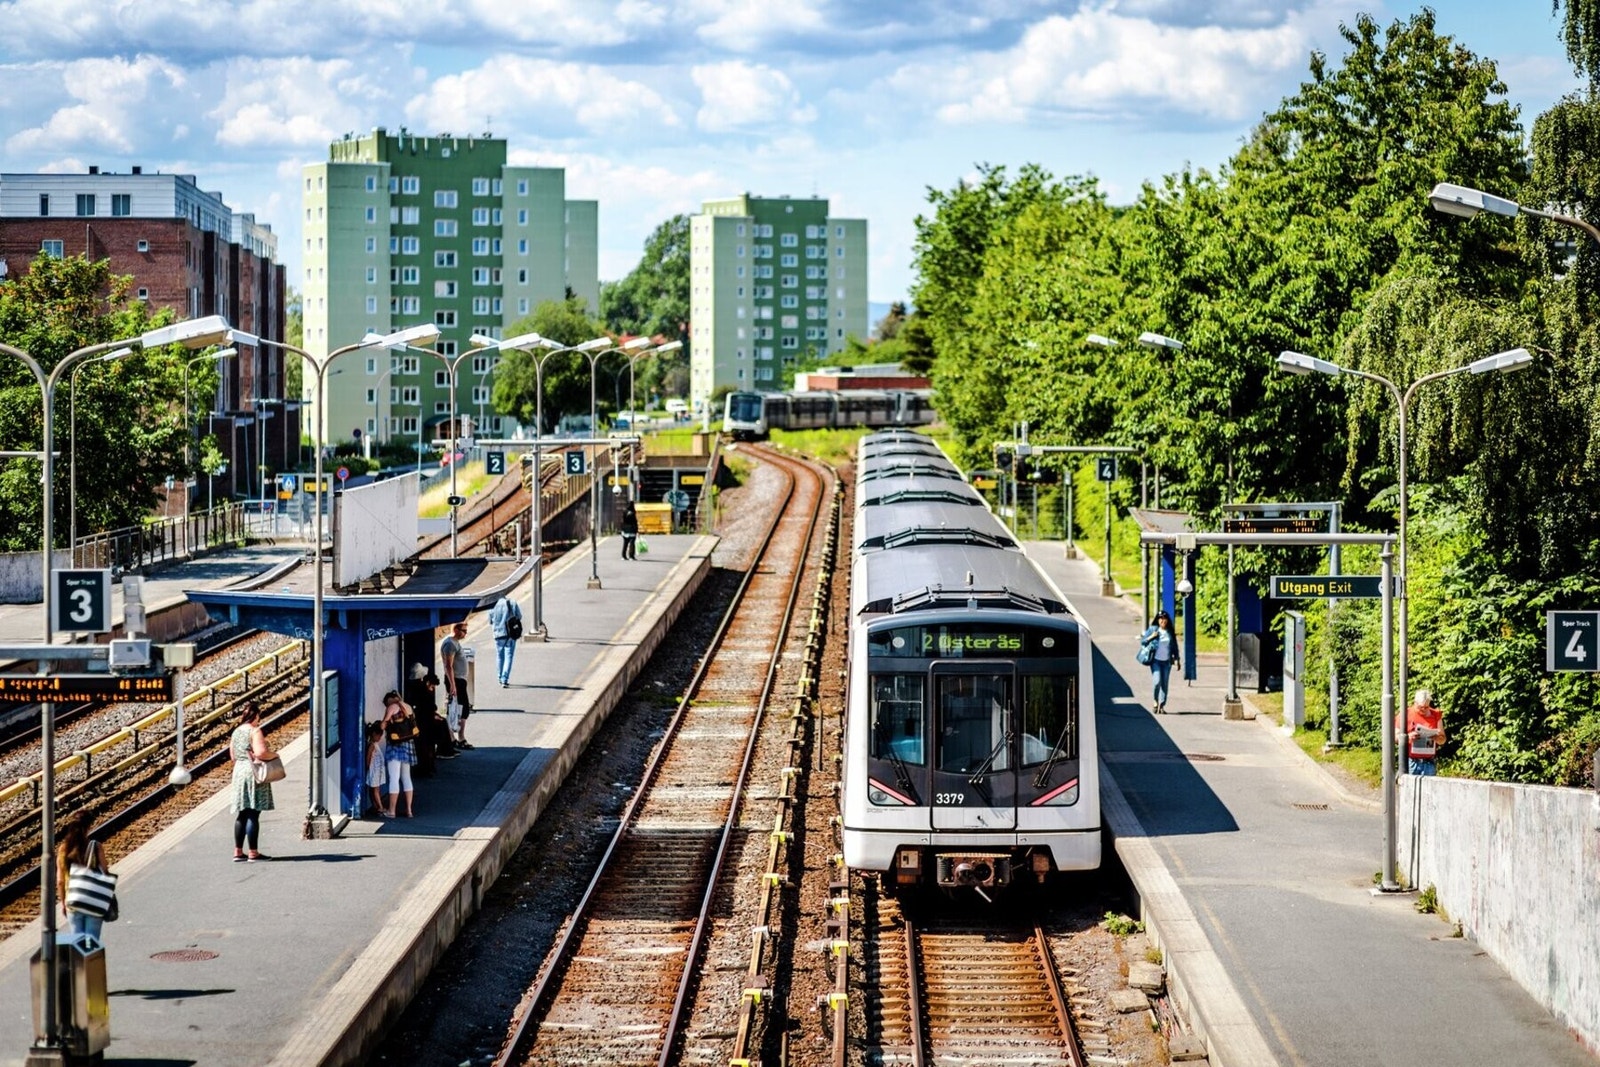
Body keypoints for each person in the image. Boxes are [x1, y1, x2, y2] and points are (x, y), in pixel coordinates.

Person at [230, 700, 276, 861]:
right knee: (253, 812)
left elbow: (233, 755)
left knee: (242, 812)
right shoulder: (254, 731)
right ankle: (253, 852)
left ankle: (238, 852)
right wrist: (275, 755)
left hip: (239, 772)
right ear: (255, 715)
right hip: (253, 773)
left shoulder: (236, 732)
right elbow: (261, 753)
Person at [57, 815, 109, 944]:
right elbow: (105, 873)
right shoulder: (95, 846)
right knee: (91, 944)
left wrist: (63, 902)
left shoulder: (63, 849)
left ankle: (79, 964)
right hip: (94, 901)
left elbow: (60, 881)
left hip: (73, 900)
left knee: (77, 944)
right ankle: (90, 963)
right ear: (88, 828)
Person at [381, 691, 419, 817]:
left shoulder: (392, 707)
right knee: (406, 778)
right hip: (408, 744)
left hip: (395, 745)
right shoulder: (407, 706)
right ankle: (409, 810)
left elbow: (383, 725)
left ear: (390, 700)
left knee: (394, 778)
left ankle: (391, 811)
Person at [406, 662, 454, 761]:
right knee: (442, 724)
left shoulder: (413, 688)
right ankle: (445, 749)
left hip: (421, 718)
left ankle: (445, 749)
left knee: (442, 722)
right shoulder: (421, 690)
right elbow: (428, 707)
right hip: (423, 720)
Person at [1139, 611, 1181, 714]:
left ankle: (1162, 705)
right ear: (1158, 620)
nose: (1163, 620)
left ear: (1167, 620)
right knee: (1157, 682)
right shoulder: (1153, 629)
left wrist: (1177, 659)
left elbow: (1174, 646)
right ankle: (1155, 701)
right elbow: (1143, 641)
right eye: (1161, 618)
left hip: (1167, 662)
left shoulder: (1170, 631)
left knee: (1164, 684)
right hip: (1155, 661)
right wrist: (1151, 636)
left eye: (1164, 618)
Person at [440, 622, 474, 749]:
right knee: (459, 709)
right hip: (456, 681)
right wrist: (452, 685)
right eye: (464, 630)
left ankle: (458, 737)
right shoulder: (450, 644)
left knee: (461, 709)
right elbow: (448, 665)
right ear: (455, 629)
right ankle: (457, 737)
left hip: (459, 680)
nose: (466, 633)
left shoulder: (454, 643)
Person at [1397, 688, 1445, 775]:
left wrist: (1436, 738)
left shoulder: (1436, 715)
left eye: (1426, 707)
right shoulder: (1405, 714)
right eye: (1420, 707)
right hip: (1411, 762)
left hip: (1429, 763)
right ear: (1415, 703)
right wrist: (1407, 738)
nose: (1423, 710)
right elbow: (1394, 737)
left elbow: (1443, 740)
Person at [489, 595, 523, 687]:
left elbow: (490, 621)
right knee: (509, 656)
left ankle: (499, 677)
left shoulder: (492, 604)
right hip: (510, 634)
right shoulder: (512, 602)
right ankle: (504, 679)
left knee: (499, 656)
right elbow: (519, 616)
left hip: (498, 634)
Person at [365, 721, 387, 816]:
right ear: (374, 734)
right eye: (379, 736)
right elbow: (368, 757)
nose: (380, 738)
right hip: (374, 770)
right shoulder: (372, 745)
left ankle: (375, 805)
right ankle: (380, 807)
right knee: (376, 790)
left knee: (373, 789)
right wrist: (368, 766)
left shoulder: (374, 744)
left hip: (376, 770)